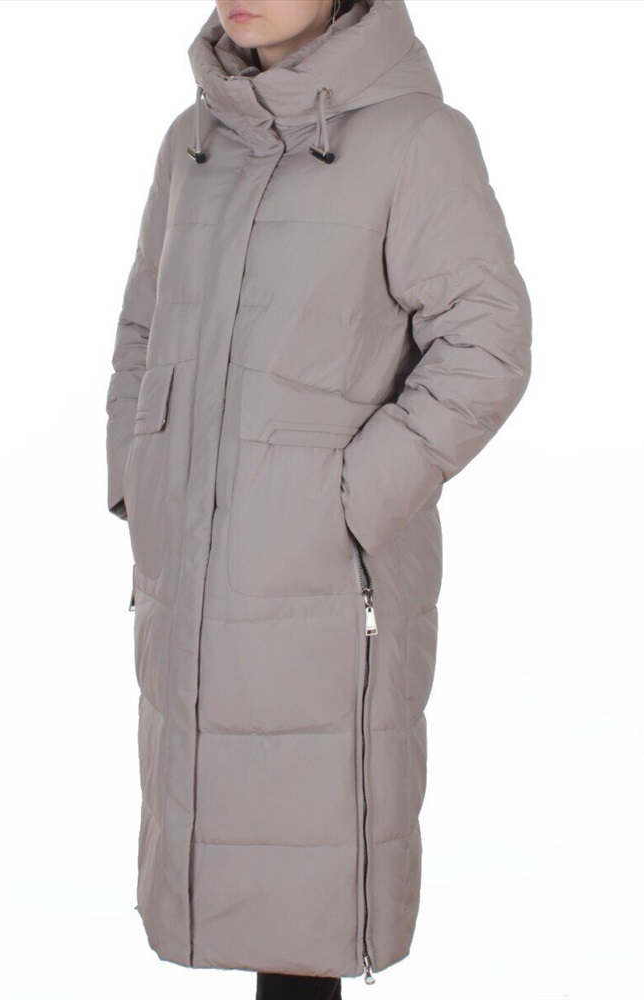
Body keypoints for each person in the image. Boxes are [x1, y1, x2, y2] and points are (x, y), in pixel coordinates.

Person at [104, 1, 532, 998]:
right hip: (191, 573)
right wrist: (142, 479)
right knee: (211, 843)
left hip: (322, 579)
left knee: (309, 888)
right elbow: (142, 333)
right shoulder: (194, 142)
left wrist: (345, 501)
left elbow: (486, 344)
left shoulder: (416, 140)